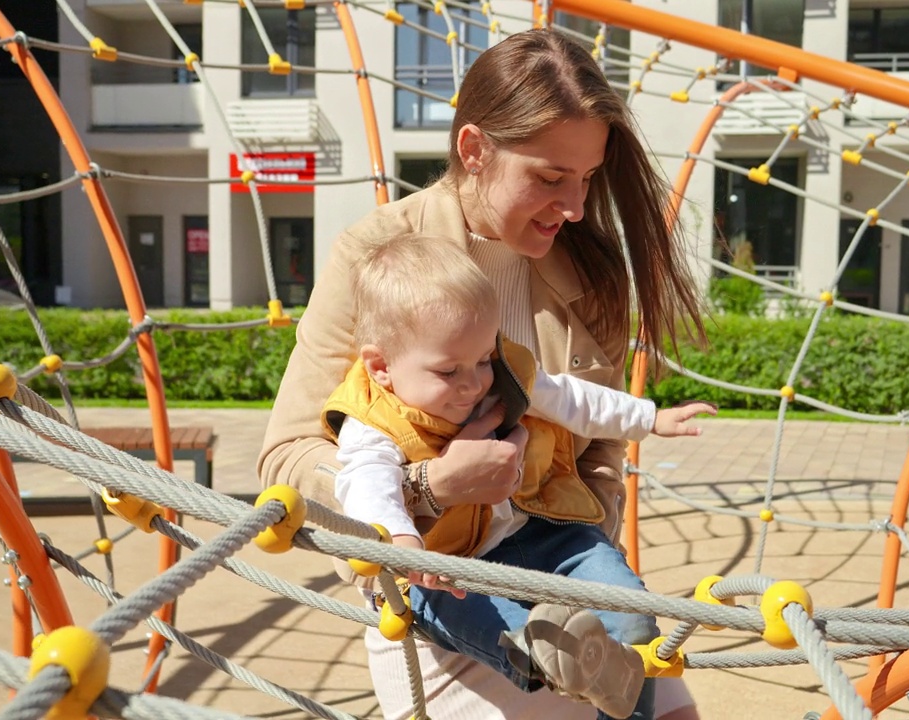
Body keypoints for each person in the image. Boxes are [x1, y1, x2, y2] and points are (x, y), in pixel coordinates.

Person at [258, 28, 707, 720]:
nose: (578, 207)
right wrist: (426, 488)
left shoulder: (590, 274)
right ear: (474, 150)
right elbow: (286, 460)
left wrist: (584, 560)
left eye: (587, 178)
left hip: (562, 571)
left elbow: (602, 453)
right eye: (551, 177)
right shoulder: (376, 257)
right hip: (444, 588)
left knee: (670, 708)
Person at [324, 233, 717, 720]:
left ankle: (612, 672)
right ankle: (547, 653)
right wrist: (401, 539)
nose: (474, 383)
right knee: (477, 617)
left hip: (548, 534)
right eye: (448, 372)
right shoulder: (371, 420)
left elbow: (573, 399)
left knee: (630, 611)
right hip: (455, 569)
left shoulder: (505, 371)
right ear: (381, 367)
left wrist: (648, 418)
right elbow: (364, 484)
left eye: (484, 360)